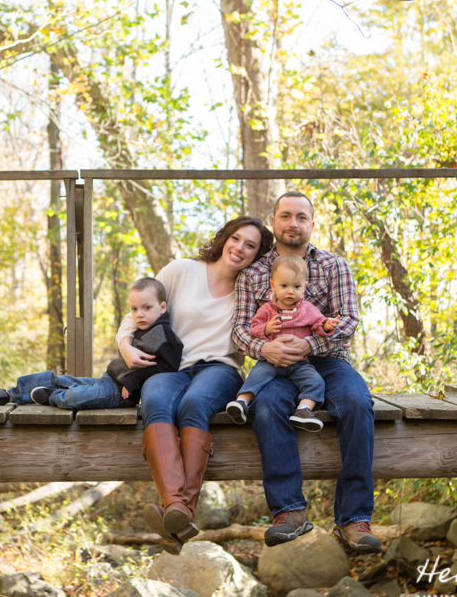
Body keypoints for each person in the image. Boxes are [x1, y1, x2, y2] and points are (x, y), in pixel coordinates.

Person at [232, 191, 381, 554]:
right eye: (285, 216)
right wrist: (263, 348)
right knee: (266, 408)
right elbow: (239, 329)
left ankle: (353, 518)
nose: (293, 223)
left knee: (357, 402)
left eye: (301, 217)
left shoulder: (334, 266)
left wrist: (311, 346)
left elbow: (347, 321)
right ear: (274, 221)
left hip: (329, 362)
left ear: (312, 224)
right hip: (276, 365)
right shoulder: (253, 273)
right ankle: (290, 511)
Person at [118, 216, 274, 554]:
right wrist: (125, 345)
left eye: (251, 245)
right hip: (170, 365)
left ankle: (176, 508)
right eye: (236, 239)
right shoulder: (180, 270)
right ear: (224, 239)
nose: (240, 248)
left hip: (220, 368)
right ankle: (179, 511)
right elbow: (137, 310)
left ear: (258, 255)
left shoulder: (253, 290)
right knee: (155, 401)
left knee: (194, 404)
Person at [0, 277, 182, 410]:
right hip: (109, 380)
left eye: (147, 307)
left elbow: (167, 367)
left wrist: (133, 382)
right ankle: (7, 394)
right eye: (134, 309)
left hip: (120, 395)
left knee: (74, 397)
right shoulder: (145, 328)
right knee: (59, 378)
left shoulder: (163, 334)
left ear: (162, 307)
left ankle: (50, 396)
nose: (139, 314)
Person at [225, 254, 341, 432]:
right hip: (270, 361)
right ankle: (241, 402)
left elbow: (318, 324)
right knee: (256, 376)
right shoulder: (267, 310)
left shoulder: (308, 309)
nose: (290, 291)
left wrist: (327, 324)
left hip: (299, 362)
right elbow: (253, 328)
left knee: (316, 382)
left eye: (296, 286)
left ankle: (303, 410)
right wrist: (266, 329)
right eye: (284, 286)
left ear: (304, 288)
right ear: (273, 285)